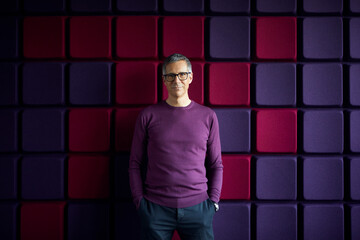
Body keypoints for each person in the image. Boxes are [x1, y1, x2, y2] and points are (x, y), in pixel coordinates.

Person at [129, 53, 223, 240]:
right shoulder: (148, 116)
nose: (176, 80)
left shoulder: (208, 116)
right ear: (164, 80)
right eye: (170, 75)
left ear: (190, 77)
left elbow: (216, 164)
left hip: (199, 209)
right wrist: (140, 202)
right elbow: (134, 163)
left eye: (181, 74)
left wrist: (213, 202)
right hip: (156, 209)